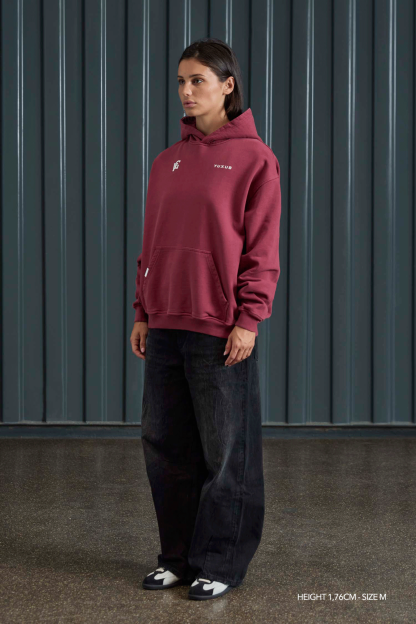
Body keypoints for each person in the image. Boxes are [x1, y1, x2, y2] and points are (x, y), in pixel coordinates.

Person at [130, 37, 281, 601]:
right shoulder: (166, 161)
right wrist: (143, 311)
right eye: (180, 81)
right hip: (165, 323)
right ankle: (177, 558)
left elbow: (262, 249)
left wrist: (249, 318)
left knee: (226, 454)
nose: (186, 91)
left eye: (197, 80)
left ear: (227, 85)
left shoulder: (256, 159)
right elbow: (152, 242)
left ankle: (221, 562)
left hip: (220, 327)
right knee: (165, 446)